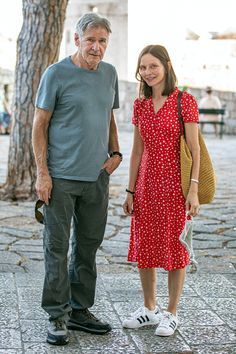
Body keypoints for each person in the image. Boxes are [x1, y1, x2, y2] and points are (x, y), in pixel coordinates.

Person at [32, 13, 122, 346]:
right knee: (56, 249)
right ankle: (57, 315)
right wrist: (43, 173)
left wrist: (115, 155)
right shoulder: (55, 74)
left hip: (96, 178)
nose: (96, 48)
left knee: (87, 248)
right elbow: (38, 126)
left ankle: (79, 309)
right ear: (76, 40)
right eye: (91, 40)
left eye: (102, 41)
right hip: (60, 179)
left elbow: (108, 117)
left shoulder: (109, 74)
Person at [122, 45, 200, 337]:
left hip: (175, 188)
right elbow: (136, 152)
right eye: (143, 68)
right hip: (145, 185)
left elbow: (194, 151)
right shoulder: (140, 104)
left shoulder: (185, 101)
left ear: (166, 65)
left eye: (153, 66)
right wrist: (129, 190)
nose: (148, 72)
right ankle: (149, 309)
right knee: (146, 247)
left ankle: (172, 312)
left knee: (175, 248)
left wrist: (192, 191)